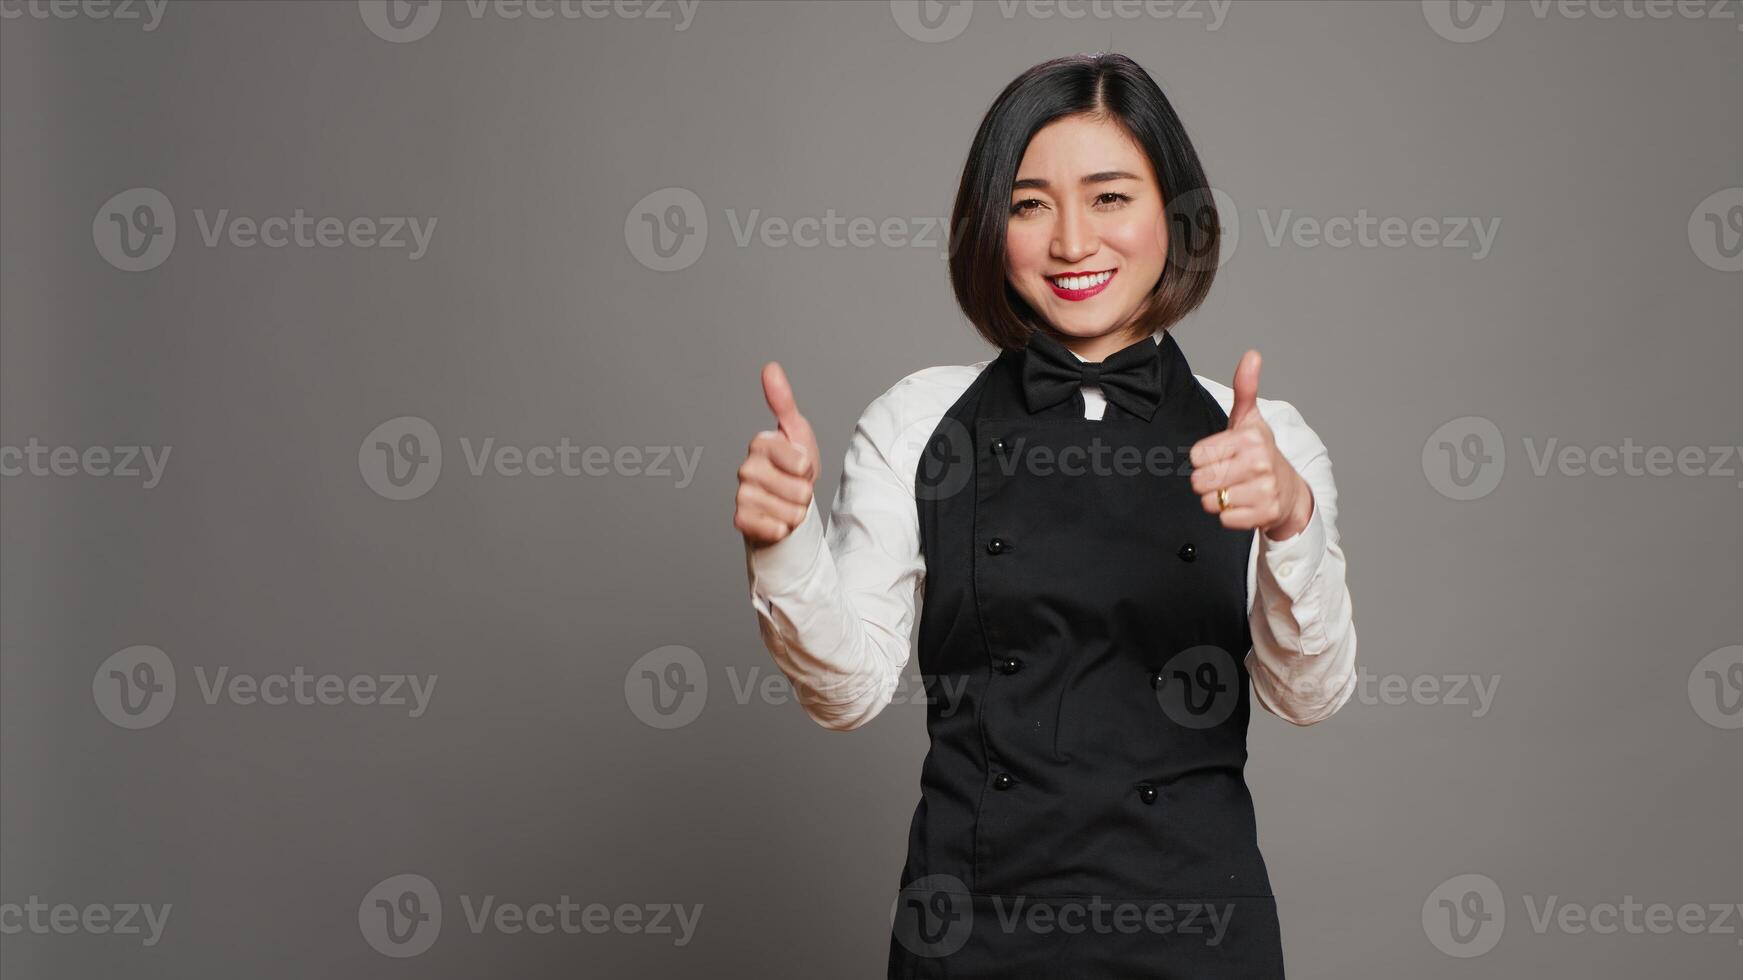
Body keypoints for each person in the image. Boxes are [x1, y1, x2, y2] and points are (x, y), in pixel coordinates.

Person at [735, 51, 1358, 979]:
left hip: (1198, 929)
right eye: (1030, 204)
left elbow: (1308, 698)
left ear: (1174, 213)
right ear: (990, 227)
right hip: (971, 925)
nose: (1071, 242)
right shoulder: (917, 423)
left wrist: (1290, 519)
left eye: (1109, 197)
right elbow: (850, 694)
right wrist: (783, 547)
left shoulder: (1262, 438)